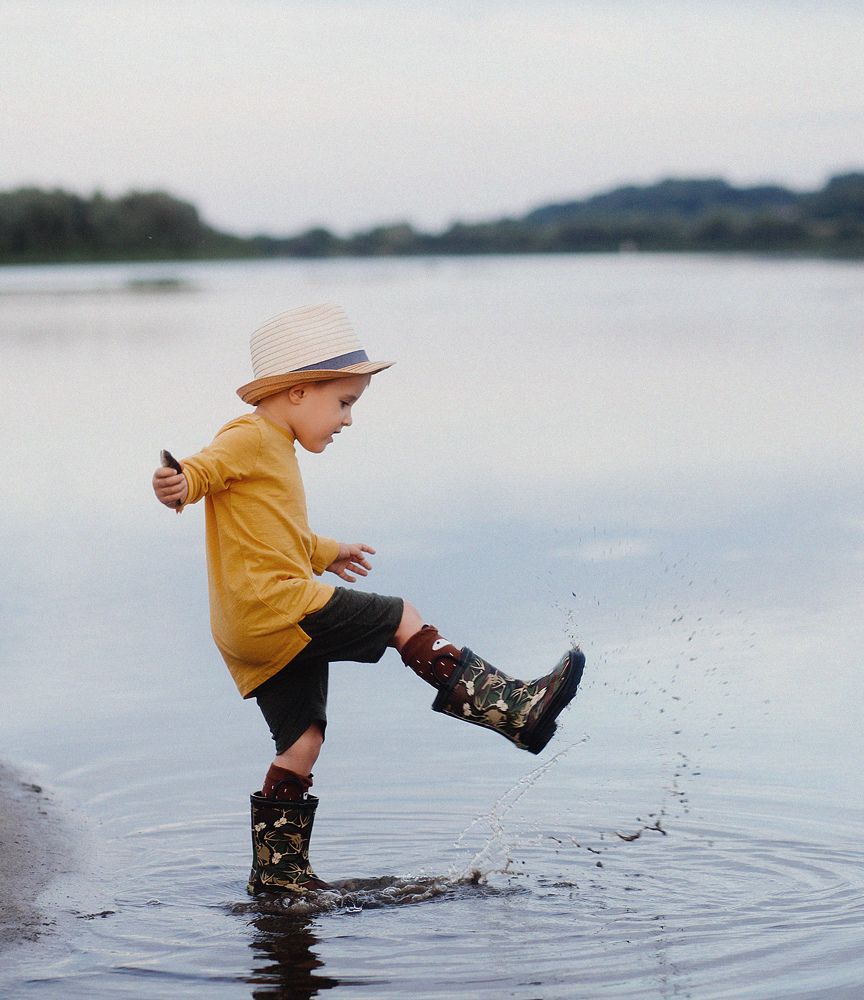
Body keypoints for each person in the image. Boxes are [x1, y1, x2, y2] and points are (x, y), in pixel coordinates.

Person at [151, 303, 585, 895]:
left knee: (302, 741)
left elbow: (269, 536)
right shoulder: (250, 437)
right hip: (276, 607)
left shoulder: (272, 446)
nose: (348, 420)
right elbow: (201, 472)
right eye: (344, 403)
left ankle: (279, 878)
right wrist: (177, 485)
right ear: (299, 392)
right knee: (400, 616)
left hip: (247, 626)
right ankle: (514, 710)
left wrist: (325, 550)